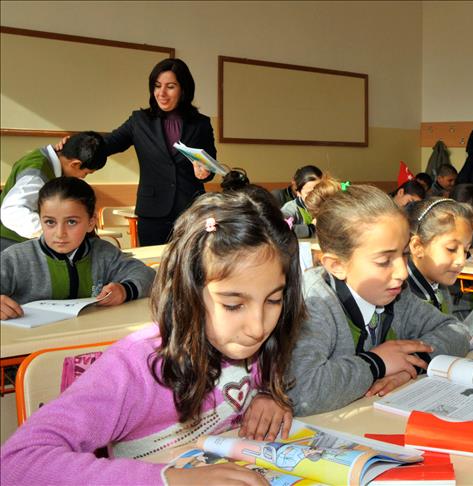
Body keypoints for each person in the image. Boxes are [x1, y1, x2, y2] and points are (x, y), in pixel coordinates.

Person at [0, 190, 305, 485]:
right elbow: (15, 463)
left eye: (273, 300)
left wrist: (269, 395)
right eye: (233, 305)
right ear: (188, 291)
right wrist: (171, 481)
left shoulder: (256, 344)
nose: (257, 327)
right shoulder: (134, 368)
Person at [286, 183, 470, 416]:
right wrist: (377, 363)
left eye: (404, 254)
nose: (402, 273)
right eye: (384, 261)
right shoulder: (314, 304)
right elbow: (301, 393)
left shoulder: (398, 296)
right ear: (337, 265)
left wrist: (410, 362)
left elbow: (457, 332)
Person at [1, 177, 154, 320]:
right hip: (33, 339)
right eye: (50, 222)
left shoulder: (104, 253)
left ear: (91, 222)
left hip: (89, 335)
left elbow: (148, 275)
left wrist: (125, 290)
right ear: (40, 220)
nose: (60, 233)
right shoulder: (16, 258)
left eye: (71, 222)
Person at [103, 58, 217, 246]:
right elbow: (108, 143)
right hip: (152, 214)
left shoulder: (201, 123)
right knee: (154, 262)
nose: (161, 93)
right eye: (157, 86)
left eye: (170, 87)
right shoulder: (139, 120)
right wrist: (74, 143)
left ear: (183, 89)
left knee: (191, 263)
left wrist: (205, 172)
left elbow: (210, 165)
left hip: (191, 213)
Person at [0, 131, 107, 252]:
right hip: (10, 243)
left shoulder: (49, 161)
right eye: (86, 173)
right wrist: (56, 232)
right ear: (75, 164)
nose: (82, 177)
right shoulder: (37, 172)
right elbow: (12, 212)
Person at [404, 198, 473, 334]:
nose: (461, 260)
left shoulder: (440, 288)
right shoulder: (401, 299)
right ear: (417, 246)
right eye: (451, 249)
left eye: (466, 250)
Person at [280, 168, 325, 238]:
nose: (316, 196)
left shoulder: (329, 205)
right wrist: (311, 228)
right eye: (309, 193)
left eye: (319, 191)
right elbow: (279, 230)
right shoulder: (290, 209)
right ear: (298, 193)